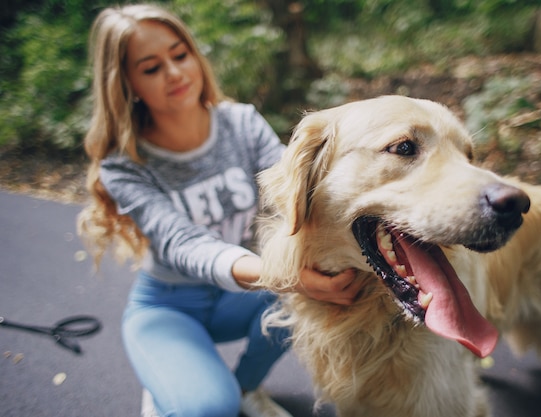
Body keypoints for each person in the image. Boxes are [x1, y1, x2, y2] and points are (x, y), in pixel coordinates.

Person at [77, 4, 363, 417]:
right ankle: (175, 385)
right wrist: (286, 276)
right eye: (151, 68)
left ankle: (246, 386)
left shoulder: (241, 123)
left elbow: (296, 193)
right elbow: (184, 243)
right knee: (208, 408)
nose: (175, 73)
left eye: (180, 54)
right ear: (127, 82)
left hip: (246, 293)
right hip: (170, 305)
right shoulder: (123, 164)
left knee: (313, 295)